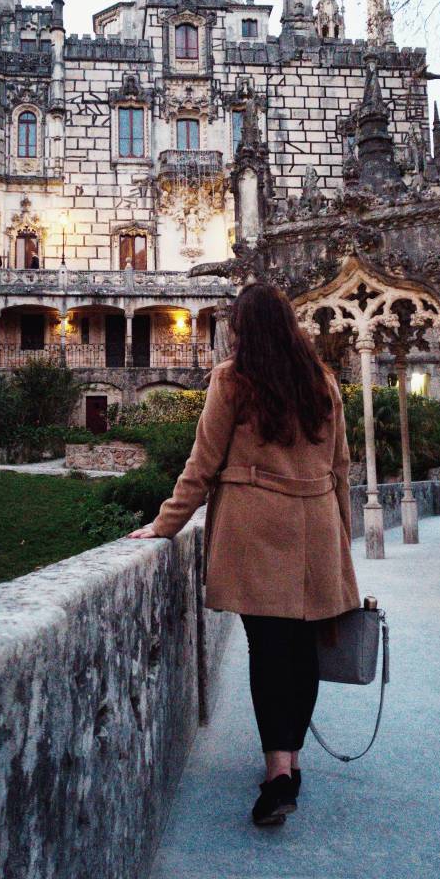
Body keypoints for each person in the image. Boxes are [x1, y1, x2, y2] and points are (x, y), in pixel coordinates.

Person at [129, 281, 359, 826]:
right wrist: (341, 541)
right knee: (302, 651)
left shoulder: (232, 379)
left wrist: (164, 525)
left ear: (243, 328)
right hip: (317, 528)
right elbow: (343, 468)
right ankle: (292, 762)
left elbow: (202, 463)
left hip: (257, 529)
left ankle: (278, 771)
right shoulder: (323, 382)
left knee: (269, 650)